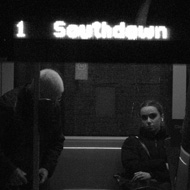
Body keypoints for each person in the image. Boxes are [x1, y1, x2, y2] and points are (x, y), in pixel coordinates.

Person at [0, 68, 65, 190]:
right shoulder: (8, 107)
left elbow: (56, 140)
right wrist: (9, 170)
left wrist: (47, 167)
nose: (56, 103)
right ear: (40, 95)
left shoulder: (51, 106)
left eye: (58, 99)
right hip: (9, 182)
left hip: (36, 178)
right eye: (53, 100)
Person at [121, 100, 171, 190]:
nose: (148, 121)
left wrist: (152, 175)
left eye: (153, 116)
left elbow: (176, 170)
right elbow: (132, 167)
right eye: (144, 118)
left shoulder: (170, 142)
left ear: (162, 117)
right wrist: (163, 164)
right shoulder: (132, 142)